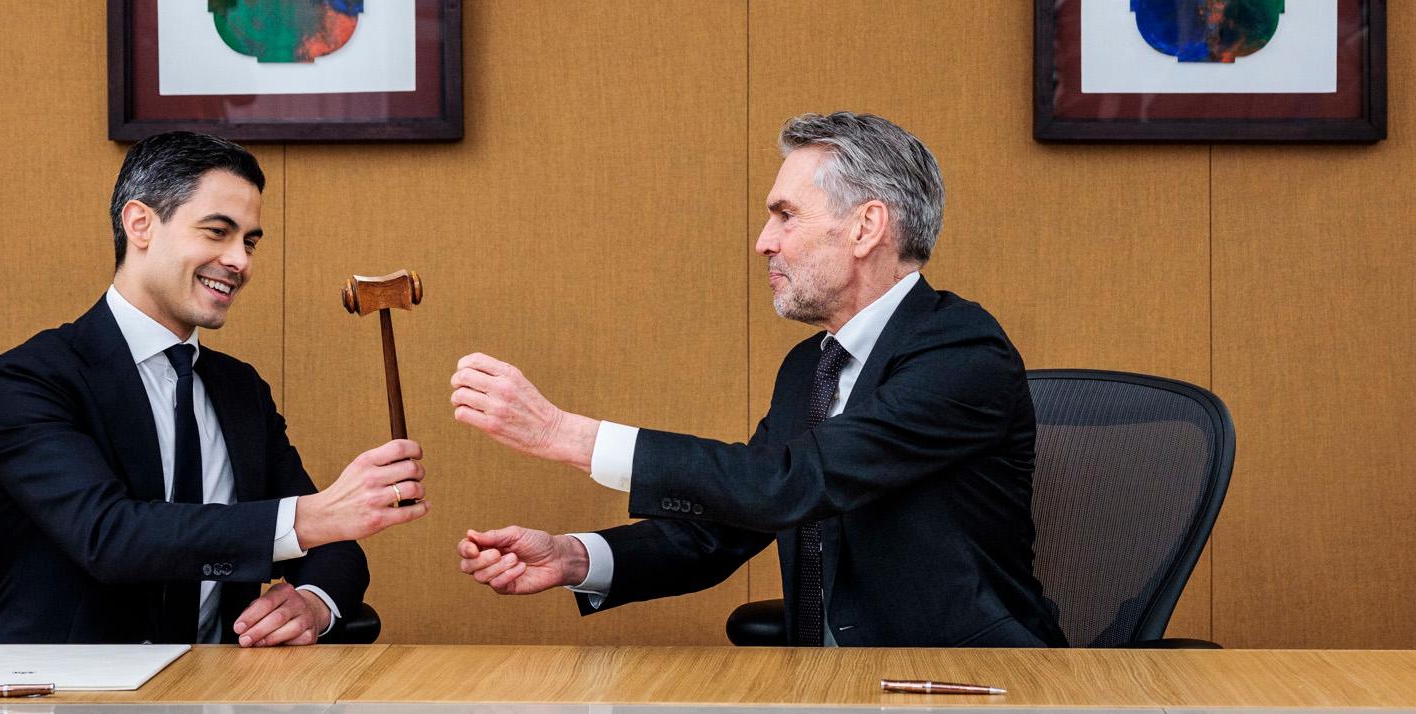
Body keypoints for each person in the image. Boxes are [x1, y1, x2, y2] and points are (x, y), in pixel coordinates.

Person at [452, 112, 1065, 647]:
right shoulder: (810, 366)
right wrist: (575, 557)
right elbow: (737, 519)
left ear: (865, 227)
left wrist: (565, 434)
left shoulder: (961, 351)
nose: (762, 242)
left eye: (785, 216)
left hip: (973, 690)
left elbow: (791, 484)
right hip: (826, 703)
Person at [0, 131, 429, 645]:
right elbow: (109, 537)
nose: (241, 262)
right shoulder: (32, 377)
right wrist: (310, 518)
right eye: (217, 232)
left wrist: (313, 603)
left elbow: (332, 545)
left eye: (249, 241)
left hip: (216, 697)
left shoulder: (240, 389)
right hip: (63, 697)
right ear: (140, 224)